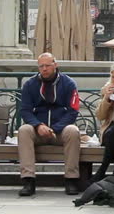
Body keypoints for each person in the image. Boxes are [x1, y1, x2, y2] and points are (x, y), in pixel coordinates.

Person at [17, 53, 82, 196]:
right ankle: (28, 179)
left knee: (73, 131)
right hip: (38, 130)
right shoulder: (30, 84)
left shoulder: (68, 83)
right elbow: (25, 110)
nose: (44, 69)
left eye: (47, 65)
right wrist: (38, 125)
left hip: (60, 130)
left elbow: (73, 111)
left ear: (55, 65)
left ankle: (71, 179)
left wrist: (55, 128)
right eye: (41, 66)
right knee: (24, 130)